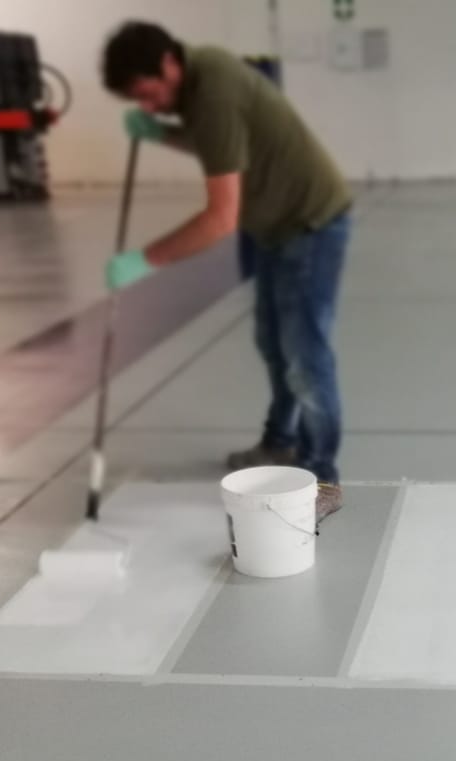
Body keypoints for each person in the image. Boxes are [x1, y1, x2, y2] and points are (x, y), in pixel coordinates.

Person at [101, 22, 352, 524]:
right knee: (273, 343)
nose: (149, 105)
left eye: (148, 94)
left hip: (311, 223)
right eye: (139, 101)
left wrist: (146, 259)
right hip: (275, 227)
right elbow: (219, 145)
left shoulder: (213, 88)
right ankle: (281, 442)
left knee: (305, 356)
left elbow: (220, 219)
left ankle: (322, 477)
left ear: (167, 64)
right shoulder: (196, 78)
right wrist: (163, 133)